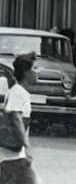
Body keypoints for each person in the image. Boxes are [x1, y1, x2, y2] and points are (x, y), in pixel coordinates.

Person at [0, 55, 37, 184]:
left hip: (13, 155)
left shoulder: (20, 92)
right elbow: (16, 118)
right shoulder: (18, 92)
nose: (36, 72)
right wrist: (26, 145)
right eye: (34, 69)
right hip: (12, 157)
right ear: (26, 72)